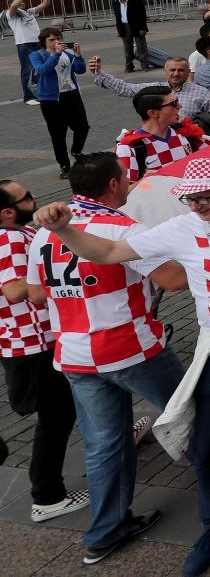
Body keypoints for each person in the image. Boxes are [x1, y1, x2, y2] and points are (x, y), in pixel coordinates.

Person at [37, 157, 210, 575]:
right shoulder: (182, 227)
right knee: (208, 442)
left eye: (205, 197)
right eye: (190, 198)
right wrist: (64, 230)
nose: (196, 205)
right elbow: (110, 252)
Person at [27, 155, 186, 563]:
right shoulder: (122, 227)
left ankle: (105, 533)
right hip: (130, 348)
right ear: (114, 185)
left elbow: (37, 294)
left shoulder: (44, 233)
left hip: (75, 355)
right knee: (191, 411)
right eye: (125, 177)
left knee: (103, 445)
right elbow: (172, 279)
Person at [0, 180, 89, 524]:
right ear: (7, 212)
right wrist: (53, 270)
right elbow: (13, 290)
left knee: (76, 399)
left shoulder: (17, 232)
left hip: (33, 341)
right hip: (33, 345)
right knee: (56, 418)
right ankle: (47, 496)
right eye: (26, 197)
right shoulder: (9, 237)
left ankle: (120, 434)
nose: (34, 197)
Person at [92, 55, 210, 132]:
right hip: (160, 139)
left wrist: (198, 125)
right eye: (172, 70)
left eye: (180, 70)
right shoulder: (154, 90)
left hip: (190, 139)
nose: (176, 74)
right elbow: (125, 88)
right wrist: (99, 73)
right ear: (165, 72)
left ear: (188, 72)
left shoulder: (201, 92)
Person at [31, 27, 90, 179]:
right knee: (58, 134)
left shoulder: (68, 53)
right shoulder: (37, 55)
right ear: (44, 41)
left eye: (58, 39)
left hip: (71, 94)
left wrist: (78, 55)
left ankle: (76, 151)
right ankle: (64, 166)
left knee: (82, 126)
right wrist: (56, 54)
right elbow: (43, 70)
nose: (56, 42)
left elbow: (80, 70)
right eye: (52, 40)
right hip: (50, 99)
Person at [116, 86, 210, 181]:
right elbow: (124, 189)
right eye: (173, 103)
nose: (180, 105)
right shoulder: (129, 148)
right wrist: (145, 180)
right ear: (153, 113)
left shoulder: (186, 133)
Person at [6, 0, 51, 104]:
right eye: (20, 1)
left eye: (23, 1)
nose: (23, 2)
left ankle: (40, 92)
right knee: (28, 70)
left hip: (37, 43)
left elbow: (45, 4)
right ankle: (29, 97)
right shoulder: (11, 14)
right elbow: (14, 5)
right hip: (25, 45)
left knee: (40, 68)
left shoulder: (29, 12)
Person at [112, 0, 152, 72]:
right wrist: (119, 30)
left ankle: (145, 65)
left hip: (137, 26)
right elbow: (118, 17)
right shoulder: (116, 3)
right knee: (127, 48)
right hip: (124, 27)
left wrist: (143, 28)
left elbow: (142, 16)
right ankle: (129, 66)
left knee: (141, 47)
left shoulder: (137, 1)